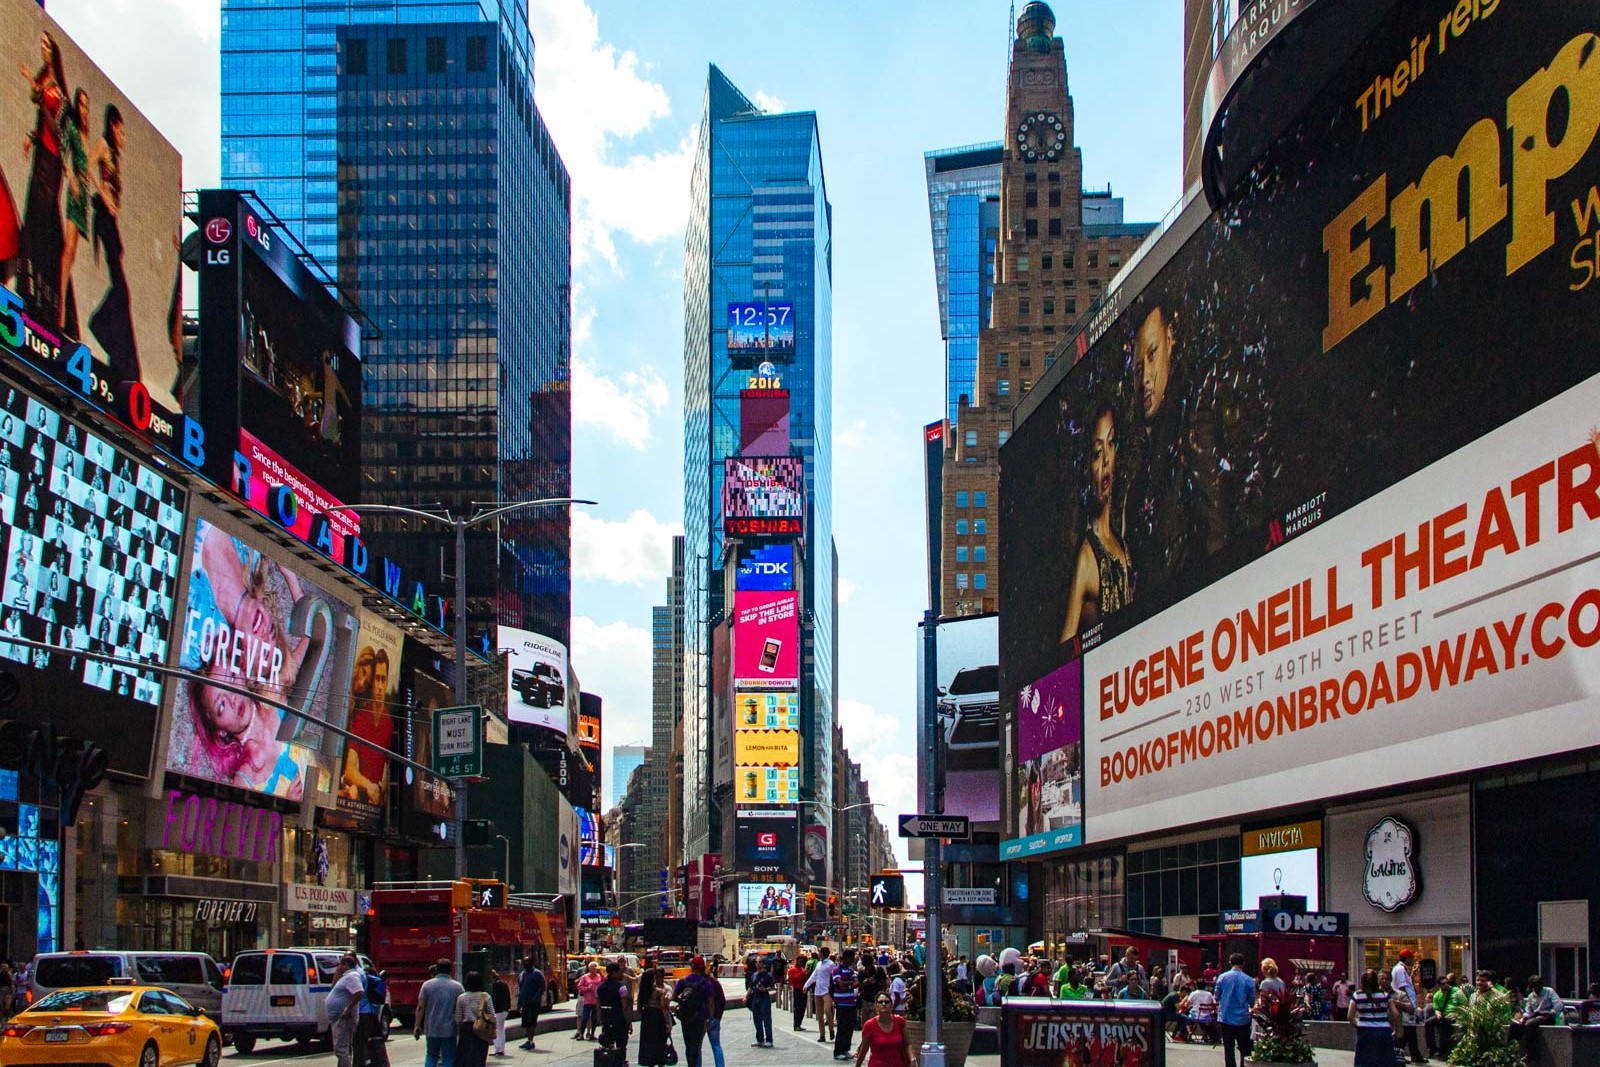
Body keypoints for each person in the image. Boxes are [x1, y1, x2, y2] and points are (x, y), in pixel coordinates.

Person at [1062, 404, 1132, 642]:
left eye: (1111, 444)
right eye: (1097, 452)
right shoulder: (1086, 557)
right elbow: (1062, 654)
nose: (1105, 461)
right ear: (1086, 466)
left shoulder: (1123, 541)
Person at [86, 103, 138, 388]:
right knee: (122, 290)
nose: (123, 136)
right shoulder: (103, 144)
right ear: (113, 125)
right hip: (104, 219)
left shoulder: (115, 155)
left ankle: (118, 355)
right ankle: (102, 327)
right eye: (121, 128)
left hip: (111, 223)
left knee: (122, 291)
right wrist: (105, 199)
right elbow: (87, 165)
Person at [672, 956, 722, 1067]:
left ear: (692, 966)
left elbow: (673, 997)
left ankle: (691, 1064)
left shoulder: (683, 981)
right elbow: (710, 1002)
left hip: (686, 1017)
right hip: (700, 1017)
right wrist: (710, 1017)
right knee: (696, 1045)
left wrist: (683, 1002)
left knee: (688, 1045)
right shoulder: (706, 983)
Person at [414, 959, 465, 1067]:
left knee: (431, 1055)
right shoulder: (457, 987)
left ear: (436, 970)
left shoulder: (427, 985)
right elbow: (462, 1008)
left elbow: (420, 1007)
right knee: (449, 1056)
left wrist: (417, 1025)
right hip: (450, 1029)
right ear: (450, 970)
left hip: (432, 1028)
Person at [1509, 973, 1563, 1063]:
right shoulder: (1531, 996)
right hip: (1535, 1016)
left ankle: (1530, 1052)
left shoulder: (1549, 991)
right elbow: (1529, 1010)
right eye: (1535, 985)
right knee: (1515, 1025)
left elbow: (1558, 1005)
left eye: (1539, 984)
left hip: (1547, 1016)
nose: (1538, 987)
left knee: (1530, 1024)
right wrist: (1524, 1018)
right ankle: (1511, 1050)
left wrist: (1550, 1013)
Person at [1350, 969, 1400, 1067]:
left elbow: (1350, 1016)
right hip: (1384, 1031)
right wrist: (1396, 1031)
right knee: (1384, 1061)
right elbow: (1396, 1014)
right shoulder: (1385, 995)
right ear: (1376, 981)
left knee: (1365, 1061)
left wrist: (1359, 1026)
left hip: (1365, 1031)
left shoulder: (1357, 995)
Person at [1216, 953, 1256, 1067]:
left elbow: (1217, 996)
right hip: (1242, 1018)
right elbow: (1251, 999)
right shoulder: (1249, 980)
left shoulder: (1222, 977)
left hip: (1226, 1017)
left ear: (1230, 962)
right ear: (1243, 964)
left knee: (1228, 1048)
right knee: (1245, 1047)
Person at [854, 993, 917, 1067]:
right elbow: (864, 1049)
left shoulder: (900, 1021)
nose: (883, 1004)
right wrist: (858, 1065)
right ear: (876, 1006)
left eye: (886, 1002)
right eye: (880, 1002)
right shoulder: (869, 1025)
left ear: (891, 1005)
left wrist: (912, 1058)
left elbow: (907, 1044)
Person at [326, 954, 366, 1067]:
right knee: (343, 1048)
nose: (338, 967)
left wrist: (347, 1010)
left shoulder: (352, 976)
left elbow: (359, 992)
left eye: (341, 964)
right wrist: (338, 973)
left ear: (346, 965)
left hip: (343, 1018)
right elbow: (333, 987)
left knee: (341, 1050)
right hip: (339, 1018)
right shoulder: (345, 976)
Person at [1390, 950, 1425, 1064]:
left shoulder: (1403, 969)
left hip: (1408, 1004)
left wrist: (1412, 974)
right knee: (1405, 1031)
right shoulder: (1400, 969)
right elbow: (1402, 987)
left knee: (1410, 1031)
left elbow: (1407, 983)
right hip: (1405, 1005)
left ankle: (1415, 1055)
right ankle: (1397, 1053)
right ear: (1406, 958)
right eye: (1411, 958)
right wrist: (1407, 1003)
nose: (1413, 960)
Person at [636, 968, 673, 1067]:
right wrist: (668, 1023)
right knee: (660, 1044)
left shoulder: (643, 992)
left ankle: (649, 1063)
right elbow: (663, 1007)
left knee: (648, 1045)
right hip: (658, 1018)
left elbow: (639, 1009)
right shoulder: (659, 991)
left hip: (646, 1018)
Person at [454, 971, 491, 1067]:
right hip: (482, 1028)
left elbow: (457, 1018)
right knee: (480, 1055)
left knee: (465, 1055)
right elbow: (492, 1014)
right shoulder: (486, 996)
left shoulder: (461, 997)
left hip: (467, 1028)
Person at [1425, 972, 1466, 1058]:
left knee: (1444, 1024)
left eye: (1448, 982)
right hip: (1443, 1015)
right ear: (1439, 986)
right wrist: (1438, 1014)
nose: (1446, 985)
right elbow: (1437, 1008)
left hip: (1454, 1015)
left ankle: (1443, 1050)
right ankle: (1432, 1048)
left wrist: (1456, 1014)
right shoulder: (1437, 995)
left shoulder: (1457, 991)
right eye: (1444, 984)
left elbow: (1465, 1004)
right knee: (1428, 1023)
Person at [832, 949, 861, 1061]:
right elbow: (839, 984)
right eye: (852, 958)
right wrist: (849, 984)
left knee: (849, 1028)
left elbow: (857, 982)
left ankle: (845, 1049)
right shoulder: (837, 970)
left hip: (851, 1003)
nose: (853, 960)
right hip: (841, 1003)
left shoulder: (850, 970)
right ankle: (838, 1051)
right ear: (847, 958)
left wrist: (846, 985)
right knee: (842, 1027)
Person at [805, 946, 839, 1043]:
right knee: (819, 1015)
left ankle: (831, 1029)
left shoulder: (830, 964)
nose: (819, 954)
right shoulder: (819, 964)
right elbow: (813, 976)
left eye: (820, 952)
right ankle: (822, 1035)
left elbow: (834, 976)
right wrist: (806, 985)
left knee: (828, 1011)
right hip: (817, 991)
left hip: (826, 991)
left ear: (824, 954)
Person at [597, 961, 632, 1052]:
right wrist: (628, 1022)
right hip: (620, 1020)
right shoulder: (621, 988)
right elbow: (625, 1007)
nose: (622, 974)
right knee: (621, 1047)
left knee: (608, 1047)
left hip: (606, 1021)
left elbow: (598, 1006)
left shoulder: (600, 988)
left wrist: (601, 1019)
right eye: (620, 972)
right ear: (614, 973)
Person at [516, 958, 545, 1050]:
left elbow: (542, 987)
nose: (526, 964)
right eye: (524, 962)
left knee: (532, 1022)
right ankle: (528, 1040)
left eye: (528, 962)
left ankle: (530, 1041)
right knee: (526, 1023)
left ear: (532, 963)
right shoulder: (522, 974)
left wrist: (535, 998)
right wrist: (519, 1003)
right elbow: (521, 990)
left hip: (533, 1003)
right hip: (525, 1002)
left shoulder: (537, 973)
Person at [748, 956, 777, 1048]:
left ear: (763, 963)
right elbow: (750, 987)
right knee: (757, 1019)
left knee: (766, 1019)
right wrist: (747, 996)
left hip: (764, 998)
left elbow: (773, 986)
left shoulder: (767, 975)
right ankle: (760, 1039)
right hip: (755, 998)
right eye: (756, 962)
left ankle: (769, 1040)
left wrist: (765, 989)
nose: (758, 963)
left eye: (759, 962)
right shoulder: (754, 975)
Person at [576, 960, 603, 1040]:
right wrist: (586, 988)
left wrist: (601, 973)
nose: (594, 970)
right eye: (593, 968)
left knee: (594, 1018)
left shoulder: (599, 976)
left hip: (596, 1000)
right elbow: (579, 986)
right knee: (585, 1017)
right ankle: (581, 1034)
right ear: (589, 969)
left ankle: (592, 1034)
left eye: (595, 968)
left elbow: (604, 981)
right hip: (588, 1000)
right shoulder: (585, 977)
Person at [488, 971, 511, 1056]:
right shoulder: (504, 984)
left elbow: (495, 999)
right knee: (501, 1029)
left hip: (497, 1010)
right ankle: (501, 1049)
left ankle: (498, 1049)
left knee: (495, 1029)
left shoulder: (494, 986)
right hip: (504, 1010)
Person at [789, 955, 810, 1030]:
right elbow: (794, 979)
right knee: (797, 1008)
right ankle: (796, 1024)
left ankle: (799, 1024)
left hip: (803, 990)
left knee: (803, 1007)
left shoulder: (802, 969)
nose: (801, 962)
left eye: (802, 961)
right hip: (797, 990)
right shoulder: (793, 969)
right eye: (800, 961)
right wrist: (803, 973)